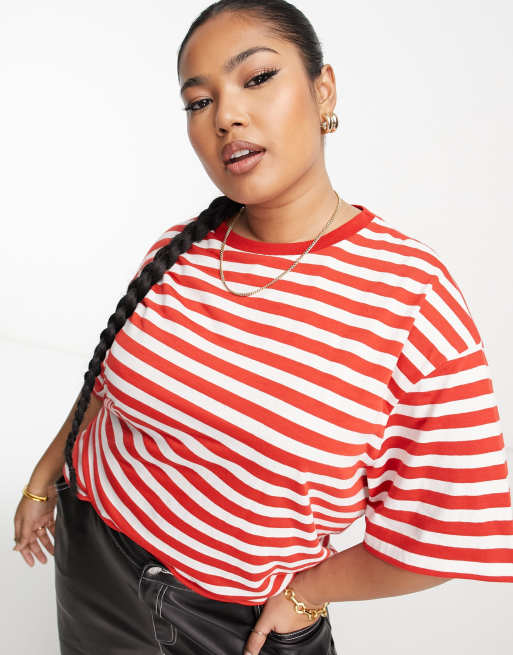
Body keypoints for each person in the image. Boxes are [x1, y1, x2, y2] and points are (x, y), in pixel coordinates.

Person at [11, 1, 513, 654]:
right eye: (199, 102)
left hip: (234, 626)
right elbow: (105, 383)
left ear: (323, 90)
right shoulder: (180, 248)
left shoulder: (411, 297)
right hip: (91, 559)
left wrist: (308, 591)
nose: (226, 115)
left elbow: (452, 530)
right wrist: (44, 476)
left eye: (256, 78)